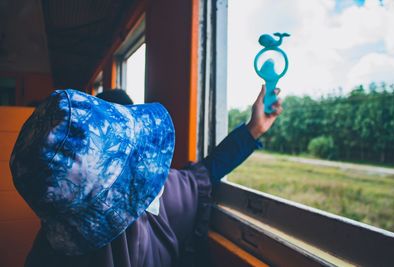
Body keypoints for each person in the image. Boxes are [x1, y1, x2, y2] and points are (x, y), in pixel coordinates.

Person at [9, 85, 282, 267]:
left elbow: (198, 175)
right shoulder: (156, 201)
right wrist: (253, 130)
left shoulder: (46, 251)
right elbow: (203, 175)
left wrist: (253, 129)